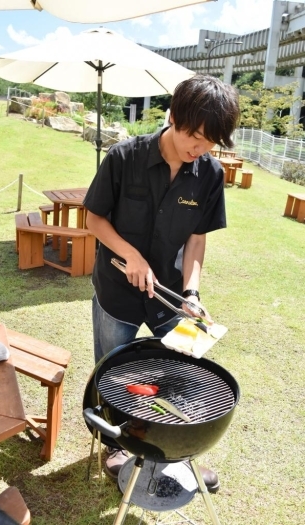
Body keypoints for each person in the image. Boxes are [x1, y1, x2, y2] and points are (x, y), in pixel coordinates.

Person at [83, 74, 240, 493]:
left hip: (169, 298)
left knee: (186, 372)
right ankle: (116, 446)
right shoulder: (124, 157)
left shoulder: (209, 174)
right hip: (117, 292)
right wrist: (129, 254)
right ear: (172, 117)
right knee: (112, 370)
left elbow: (196, 240)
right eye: (193, 135)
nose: (198, 147)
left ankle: (177, 451)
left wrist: (191, 292)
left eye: (210, 141)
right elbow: (93, 219)